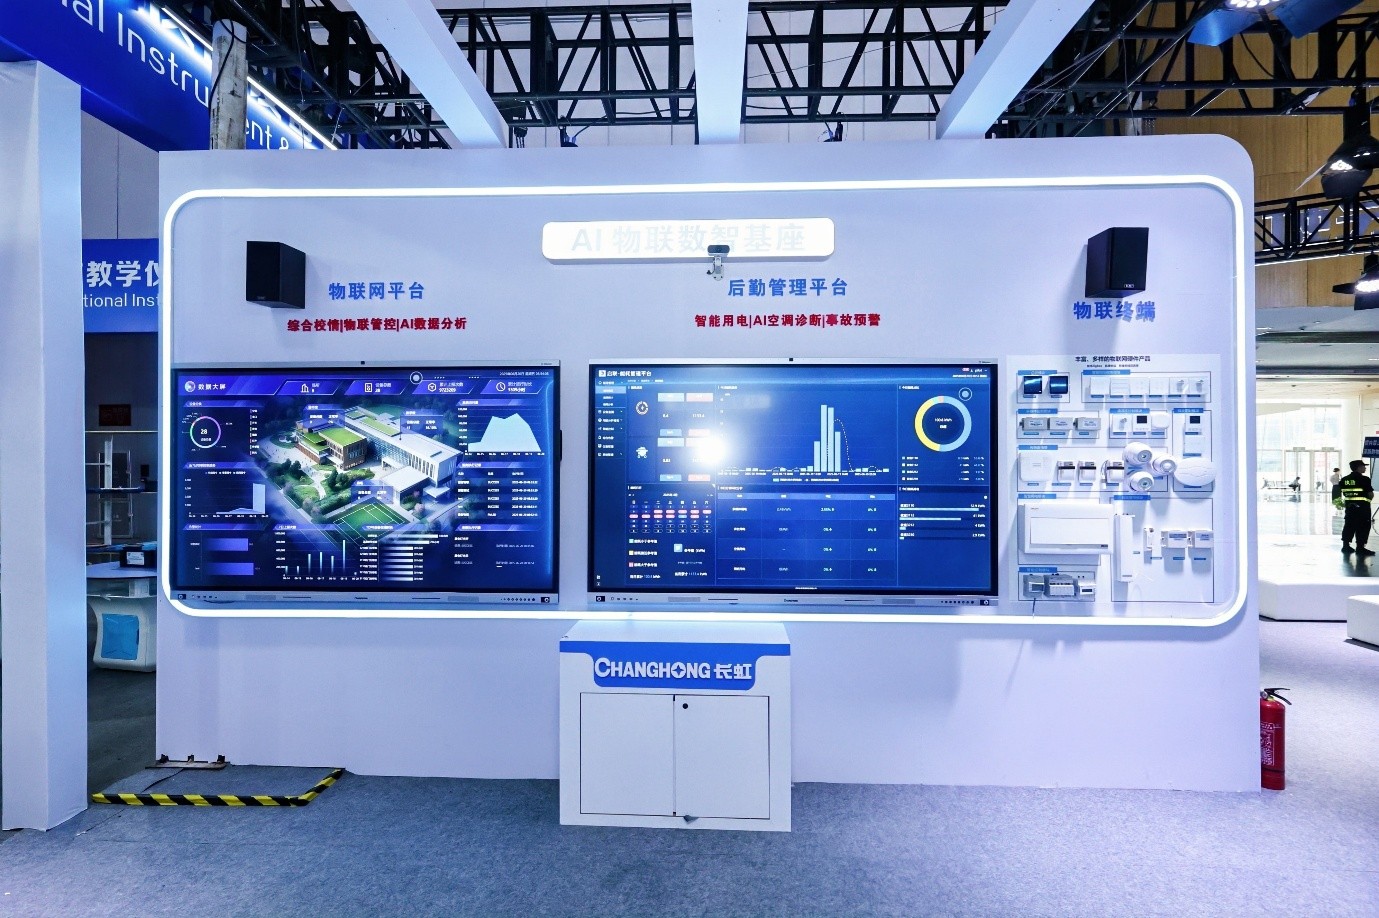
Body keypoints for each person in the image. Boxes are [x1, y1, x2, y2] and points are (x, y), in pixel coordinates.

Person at [1339, 459, 1374, 555]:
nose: (1365, 468)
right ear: (1359, 467)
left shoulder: (1344, 479)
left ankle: (1346, 546)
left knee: (1349, 525)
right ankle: (1360, 548)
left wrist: (1344, 503)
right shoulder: (1365, 479)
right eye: (1363, 466)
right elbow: (1370, 494)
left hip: (1350, 507)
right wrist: (1367, 501)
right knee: (1363, 526)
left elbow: (1338, 492)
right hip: (1363, 508)